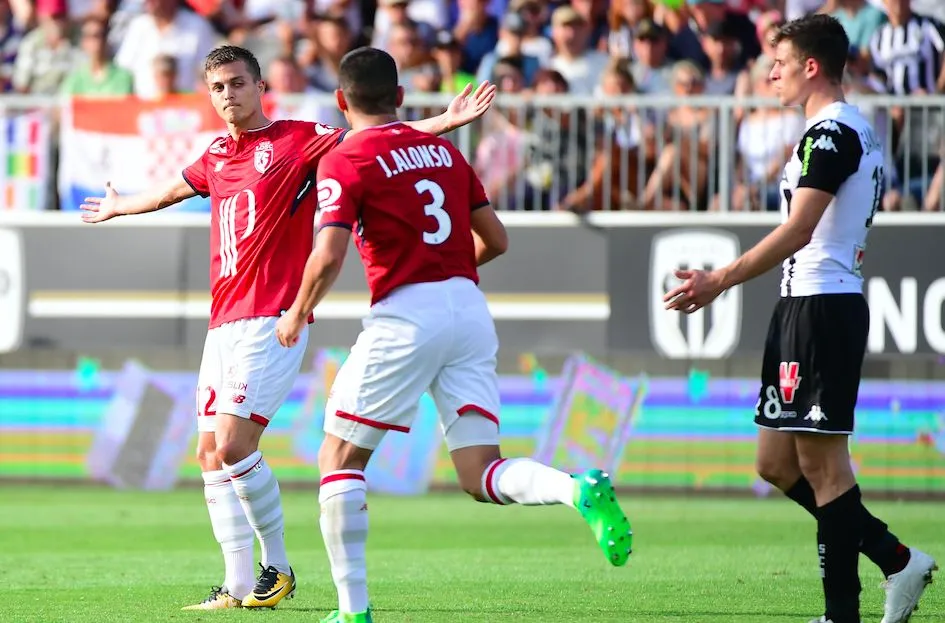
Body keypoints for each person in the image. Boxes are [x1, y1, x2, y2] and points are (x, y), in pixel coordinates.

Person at [78, 44, 497, 611]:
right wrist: (120, 206)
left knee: (233, 444)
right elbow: (172, 191)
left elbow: (371, 138)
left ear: (259, 87)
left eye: (238, 83)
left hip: (269, 315)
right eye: (219, 87)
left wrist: (442, 122)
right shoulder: (217, 154)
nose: (229, 95)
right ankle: (236, 584)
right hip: (222, 323)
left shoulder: (299, 140)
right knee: (208, 452)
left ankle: (276, 566)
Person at [274, 46, 633, 623]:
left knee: (339, 456)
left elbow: (329, 253)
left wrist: (295, 311)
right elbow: (495, 240)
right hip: (468, 308)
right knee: (478, 470)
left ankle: (352, 611)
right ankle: (576, 489)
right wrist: (443, 273)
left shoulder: (345, 159)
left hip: (406, 313)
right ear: (400, 98)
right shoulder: (443, 152)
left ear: (341, 102)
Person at [663, 14, 936, 623]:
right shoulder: (842, 131)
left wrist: (720, 279)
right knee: (775, 462)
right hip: (803, 306)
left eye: (780, 63)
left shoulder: (833, 134)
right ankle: (896, 559)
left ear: (812, 66)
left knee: (823, 468)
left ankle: (842, 614)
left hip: (823, 304)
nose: (771, 73)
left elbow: (799, 228)